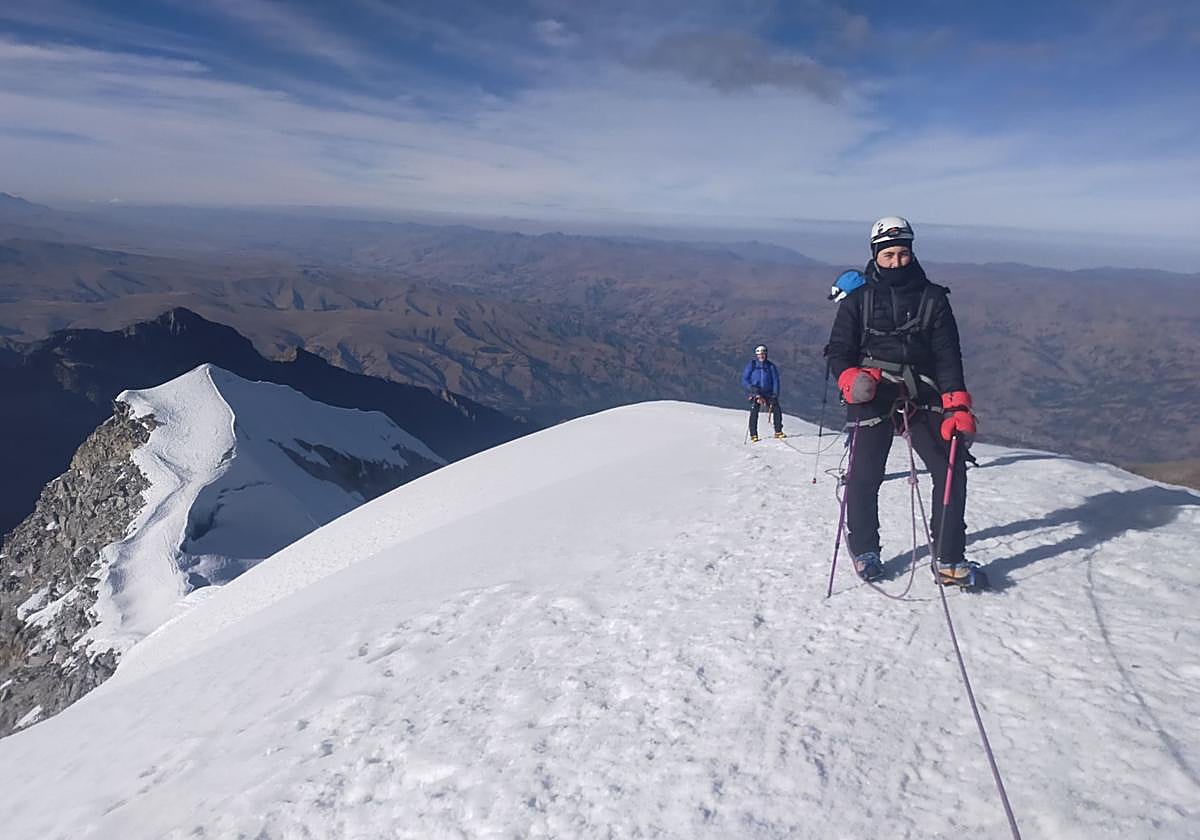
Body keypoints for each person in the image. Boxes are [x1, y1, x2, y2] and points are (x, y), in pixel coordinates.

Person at [823, 217, 977, 584]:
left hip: (921, 392)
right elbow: (839, 351)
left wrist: (956, 405)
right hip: (872, 391)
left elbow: (947, 356)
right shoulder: (858, 302)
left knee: (950, 469)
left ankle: (949, 557)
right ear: (876, 255)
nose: (896, 262)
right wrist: (849, 378)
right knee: (864, 473)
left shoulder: (934, 299)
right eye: (889, 255)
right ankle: (865, 549)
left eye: (902, 254)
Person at [741, 344, 785, 442]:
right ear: (757, 355)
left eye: (763, 354)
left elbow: (775, 381)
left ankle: (778, 431)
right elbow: (745, 379)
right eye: (760, 354)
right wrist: (751, 388)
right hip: (755, 392)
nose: (761, 356)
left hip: (768, 393)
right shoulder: (752, 365)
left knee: (776, 409)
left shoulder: (771, 366)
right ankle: (753, 434)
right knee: (754, 411)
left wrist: (775, 394)